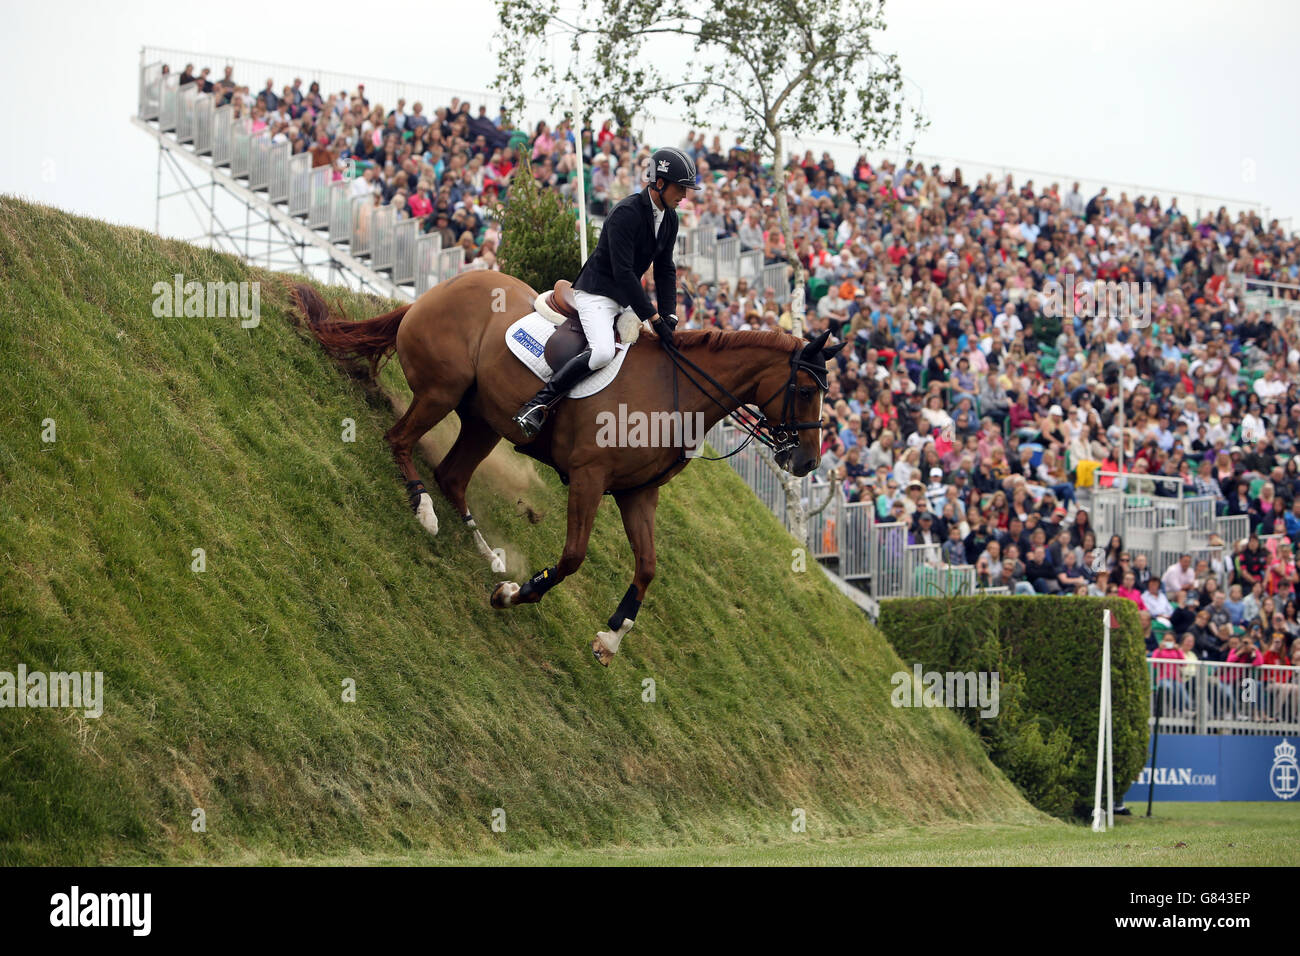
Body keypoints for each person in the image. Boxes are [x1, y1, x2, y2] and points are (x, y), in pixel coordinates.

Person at [512, 146, 699, 437]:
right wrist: (653, 317)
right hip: (596, 293)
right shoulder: (626, 212)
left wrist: (669, 314)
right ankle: (538, 404)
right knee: (601, 352)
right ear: (659, 183)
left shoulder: (670, 217)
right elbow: (623, 272)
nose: (685, 195)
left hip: (623, 299)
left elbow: (665, 268)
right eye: (681, 187)